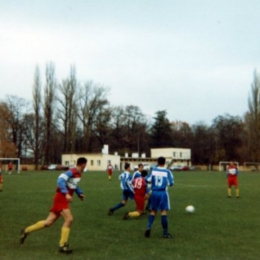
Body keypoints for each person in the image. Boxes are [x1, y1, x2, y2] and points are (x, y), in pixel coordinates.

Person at [20, 157, 88, 254]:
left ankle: (26, 230)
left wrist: (79, 193)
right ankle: (63, 245)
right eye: (86, 164)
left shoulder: (78, 174)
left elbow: (73, 185)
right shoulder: (72, 171)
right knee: (69, 219)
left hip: (61, 198)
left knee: (48, 223)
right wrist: (66, 193)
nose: (86, 166)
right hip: (61, 198)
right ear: (83, 164)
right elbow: (60, 180)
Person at [144, 156, 174, 239]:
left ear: (157, 162)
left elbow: (147, 179)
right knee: (163, 212)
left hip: (154, 193)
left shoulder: (153, 170)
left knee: (153, 211)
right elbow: (171, 183)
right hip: (163, 193)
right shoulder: (167, 171)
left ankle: (148, 227)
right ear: (165, 162)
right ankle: (165, 233)